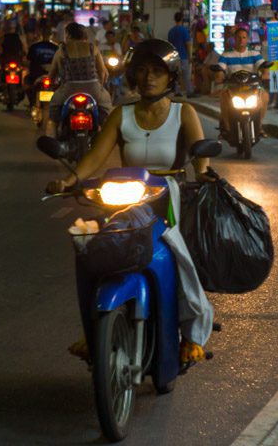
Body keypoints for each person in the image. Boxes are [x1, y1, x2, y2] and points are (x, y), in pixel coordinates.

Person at [46, 39, 213, 364]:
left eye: (157, 71)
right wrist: (69, 181)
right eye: (143, 71)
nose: (149, 77)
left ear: (170, 76)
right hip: (126, 196)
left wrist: (204, 172)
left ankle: (191, 333)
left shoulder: (184, 113)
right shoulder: (121, 115)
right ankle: (93, 327)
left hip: (166, 196)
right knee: (94, 248)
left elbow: (200, 153)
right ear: (134, 76)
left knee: (179, 257)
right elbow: (95, 157)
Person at [46, 22, 112, 136]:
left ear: (68, 35)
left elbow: (51, 74)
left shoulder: (62, 49)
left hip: (68, 89)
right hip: (93, 88)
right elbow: (103, 72)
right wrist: (101, 87)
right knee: (106, 111)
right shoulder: (93, 48)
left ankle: (52, 141)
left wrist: (50, 83)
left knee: (53, 116)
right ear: (84, 35)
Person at [217, 28, 268, 139]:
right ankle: (227, 127)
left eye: (244, 37)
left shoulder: (254, 54)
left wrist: (265, 74)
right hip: (232, 88)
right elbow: (220, 70)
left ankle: (259, 125)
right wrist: (220, 77)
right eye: (239, 37)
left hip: (252, 88)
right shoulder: (226, 55)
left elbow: (263, 66)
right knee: (223, 96)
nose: (241, 40)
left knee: (264, 96)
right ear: (234, 39)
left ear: (247, 39)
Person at [26, 25, 59, 108]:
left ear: (41, 34)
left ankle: (32, 103)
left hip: (36, 74)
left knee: (27, 85)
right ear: (51, 35)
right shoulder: (56, 48)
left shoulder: (34, 47)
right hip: (52, 75)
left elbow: (28, 60)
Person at [167, 12, 195, 97]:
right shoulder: (184, 30)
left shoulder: (171, 31)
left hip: (174, 57)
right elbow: (188, 44)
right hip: (183, 56)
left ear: (175, 19)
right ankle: (189, 92)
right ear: (182, 19)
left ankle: (176, 91)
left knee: (175, 75)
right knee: (186, 75)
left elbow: (169, 45)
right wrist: (190, 56)